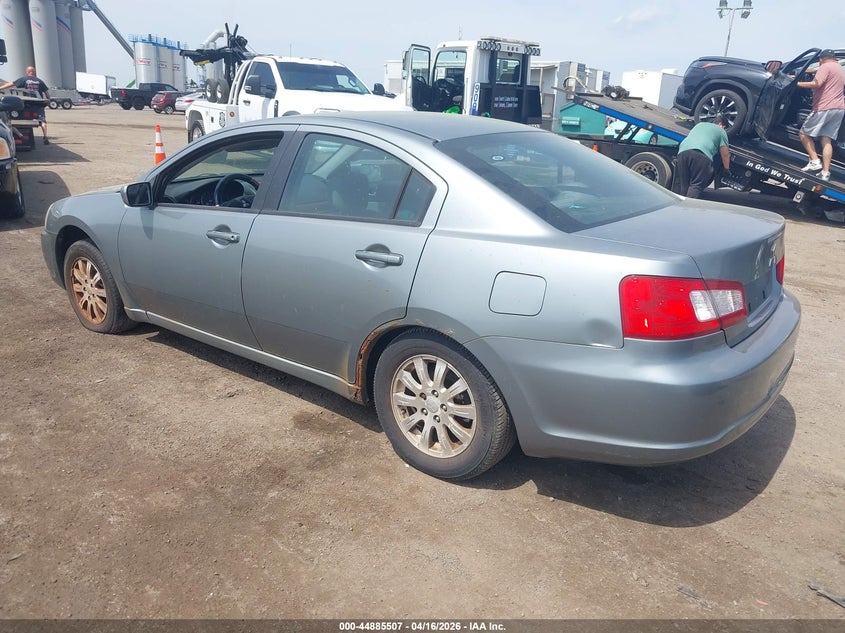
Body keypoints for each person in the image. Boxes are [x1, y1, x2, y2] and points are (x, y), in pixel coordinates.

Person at [796, 49, 844, 182]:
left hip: (824, 107)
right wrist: (806, 72)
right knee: (826, 139)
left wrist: (796, 83)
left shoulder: (825, 66)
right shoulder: (839, 68)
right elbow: (818, 74)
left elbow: (816, 83)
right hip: (839, 108)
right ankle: (825, 172)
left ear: (821, 59)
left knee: (804, 134)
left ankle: (815, 161)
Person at [672, 113, 730, 198]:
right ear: (721, 124)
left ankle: (680, 208)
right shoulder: (721, 131)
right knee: (696, 185)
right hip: (701, 154)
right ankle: (689, 208)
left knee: (684, 185)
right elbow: (725, 154)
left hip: (683, 152)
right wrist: (726, 168)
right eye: (725, 127)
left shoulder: (699, 125)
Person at [0, 66, 50, 144]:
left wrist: (0, 88)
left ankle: (18, 134)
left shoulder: (23, 79)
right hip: (38, 103)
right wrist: (48, 101)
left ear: (27, 72)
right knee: (43, 121)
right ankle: (45, 136)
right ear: (34, 72)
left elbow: (11, 84)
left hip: (27, 104)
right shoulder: (40, 81)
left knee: (16, 117)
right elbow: (47, 94)